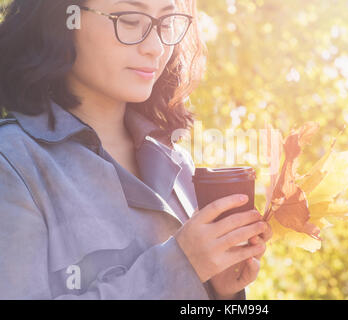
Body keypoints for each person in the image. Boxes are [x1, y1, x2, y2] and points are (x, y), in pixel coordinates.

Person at [0, 0, 272, 299]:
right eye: (129, 20)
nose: (155, 47)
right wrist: (181, 267)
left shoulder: (178, 163)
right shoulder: (13, 165)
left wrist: (216, 289)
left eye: (166, 23)